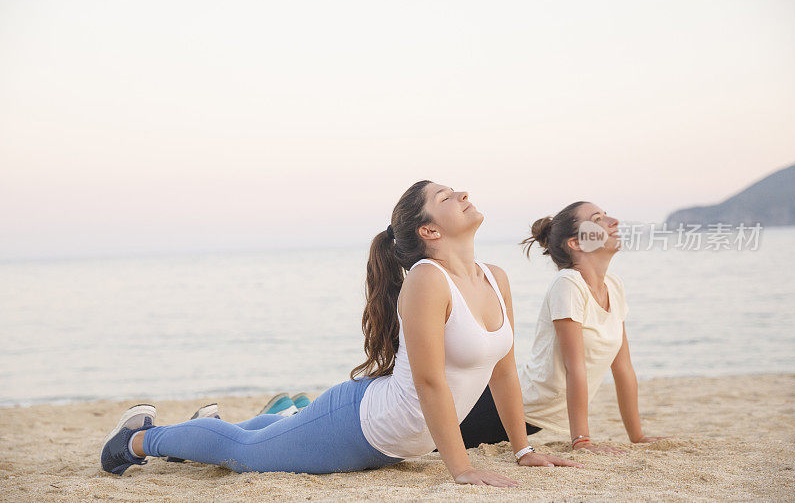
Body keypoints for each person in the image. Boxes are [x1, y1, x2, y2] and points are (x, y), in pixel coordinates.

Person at [100, 181, 581, 484]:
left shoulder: (495, 277)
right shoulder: (427, 281)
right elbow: (431, 383)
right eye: (444, 197)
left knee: (271, 435)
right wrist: (462, 470)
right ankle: (138, 439)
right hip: (364, 426)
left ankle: (198, 429)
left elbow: (503, 373)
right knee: (243, 453)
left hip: (395, 439)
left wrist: (523, 450)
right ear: (430, 231)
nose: (460, 193)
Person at [458, 201, 666, 453]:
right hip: (509, 408)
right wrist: (582, 440)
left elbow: (623, 369)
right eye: (598, 219)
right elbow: (574, 367)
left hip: (530, 418)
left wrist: (637, 436)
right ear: (575, 243)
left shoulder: (614, 286)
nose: (614, 222)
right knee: (427, 442)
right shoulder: (568, 284)